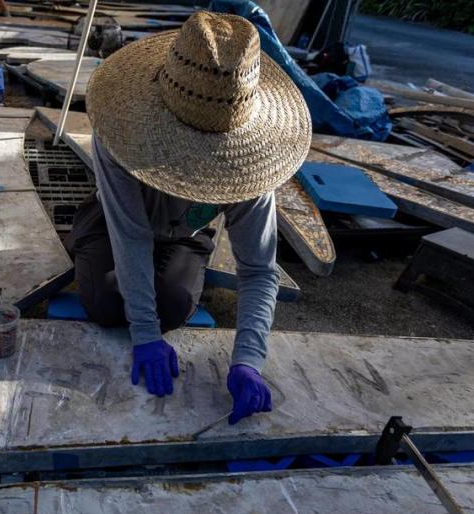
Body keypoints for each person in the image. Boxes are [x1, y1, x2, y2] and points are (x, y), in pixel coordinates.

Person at [73, 11, 311, 424]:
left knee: (175, 304)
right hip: (117, 222)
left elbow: (258, 269)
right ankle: (80, 243)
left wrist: (249, 361)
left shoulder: (254, 170)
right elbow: (129, 235)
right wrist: (144, 334)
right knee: (106, 302)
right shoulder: (119, 129)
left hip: (184, 233)